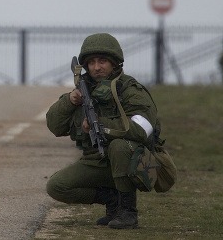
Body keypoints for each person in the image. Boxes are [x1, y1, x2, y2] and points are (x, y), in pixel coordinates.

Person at [45, 33, 161, 229]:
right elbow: (55, 126)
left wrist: (101, 125)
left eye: (102, 61)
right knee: (56, 186)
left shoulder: (130, 90)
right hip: (96, 162)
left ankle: (127, 212)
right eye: (91, 62)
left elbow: (143, 129)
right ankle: (112, 200)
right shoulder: (82, 92)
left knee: (119, 146)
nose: (96, 67)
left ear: (115, 63)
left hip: (135, 164)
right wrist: (69, 101)